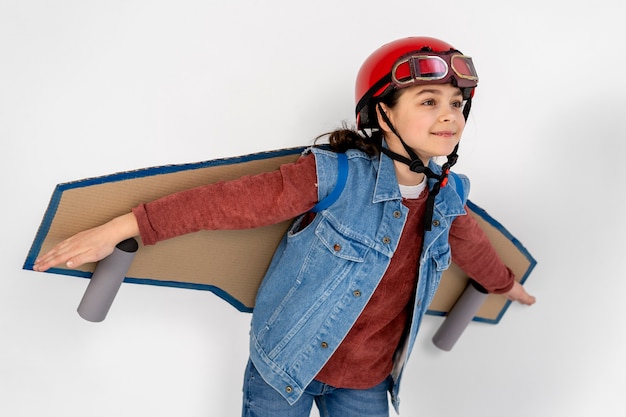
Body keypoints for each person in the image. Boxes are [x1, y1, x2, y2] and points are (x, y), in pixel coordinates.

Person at [34, 36, 536, 417]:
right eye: (429, 101)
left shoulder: (448, 197)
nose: (450, 115)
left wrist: (502, 283)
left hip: (367, 379)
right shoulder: (334, 176)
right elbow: (224, 204)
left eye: (456, 103)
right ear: (383, 113)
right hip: (285, 364)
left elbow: (470, 244)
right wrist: (125, 226)